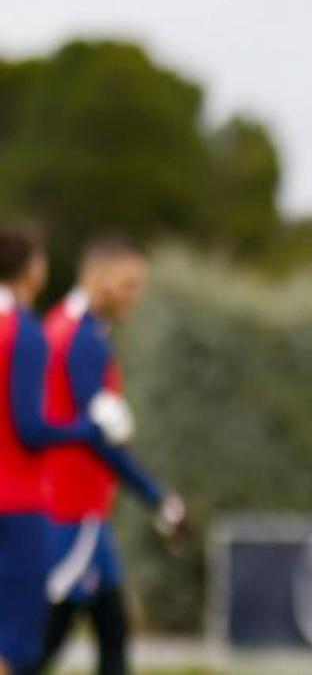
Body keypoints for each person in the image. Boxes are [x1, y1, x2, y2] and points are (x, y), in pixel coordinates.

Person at [38, 236, 185, 675]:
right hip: (72, 507)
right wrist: (157, 497)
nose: (134, 297)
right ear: (99, 279)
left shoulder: (60, 322)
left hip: (80, 510)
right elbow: (98, 439)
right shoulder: (83, 339)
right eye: (128, 285)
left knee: (113, 631)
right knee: (41, 642)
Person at [0, 226, 117, 675]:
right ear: (32, 268)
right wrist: (90, 428)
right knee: (19, 648)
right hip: (19, 505)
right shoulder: (24, 330)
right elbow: (30, 429)